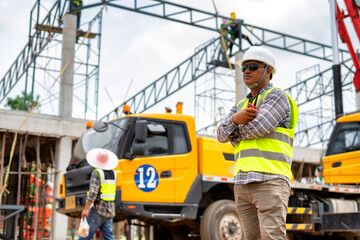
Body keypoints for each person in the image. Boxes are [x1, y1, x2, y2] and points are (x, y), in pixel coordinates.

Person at [217, 46, 298, 240]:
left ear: (268, 71)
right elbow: (220, 135)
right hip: (243, 183)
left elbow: (258, 128)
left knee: (272, 237)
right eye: (244, 67)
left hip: (270, 180)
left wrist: (234, 133)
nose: (246, 71)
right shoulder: (240, 106)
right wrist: (236, 119)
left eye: (253, 66)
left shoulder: (277, 97)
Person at [79, 148, 118, 240]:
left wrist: (86, 209)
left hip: (98, 210)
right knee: (109, 237)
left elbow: (93, 192)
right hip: (110, 210)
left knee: (85, 235)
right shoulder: (114, 174)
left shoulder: (97, 173)